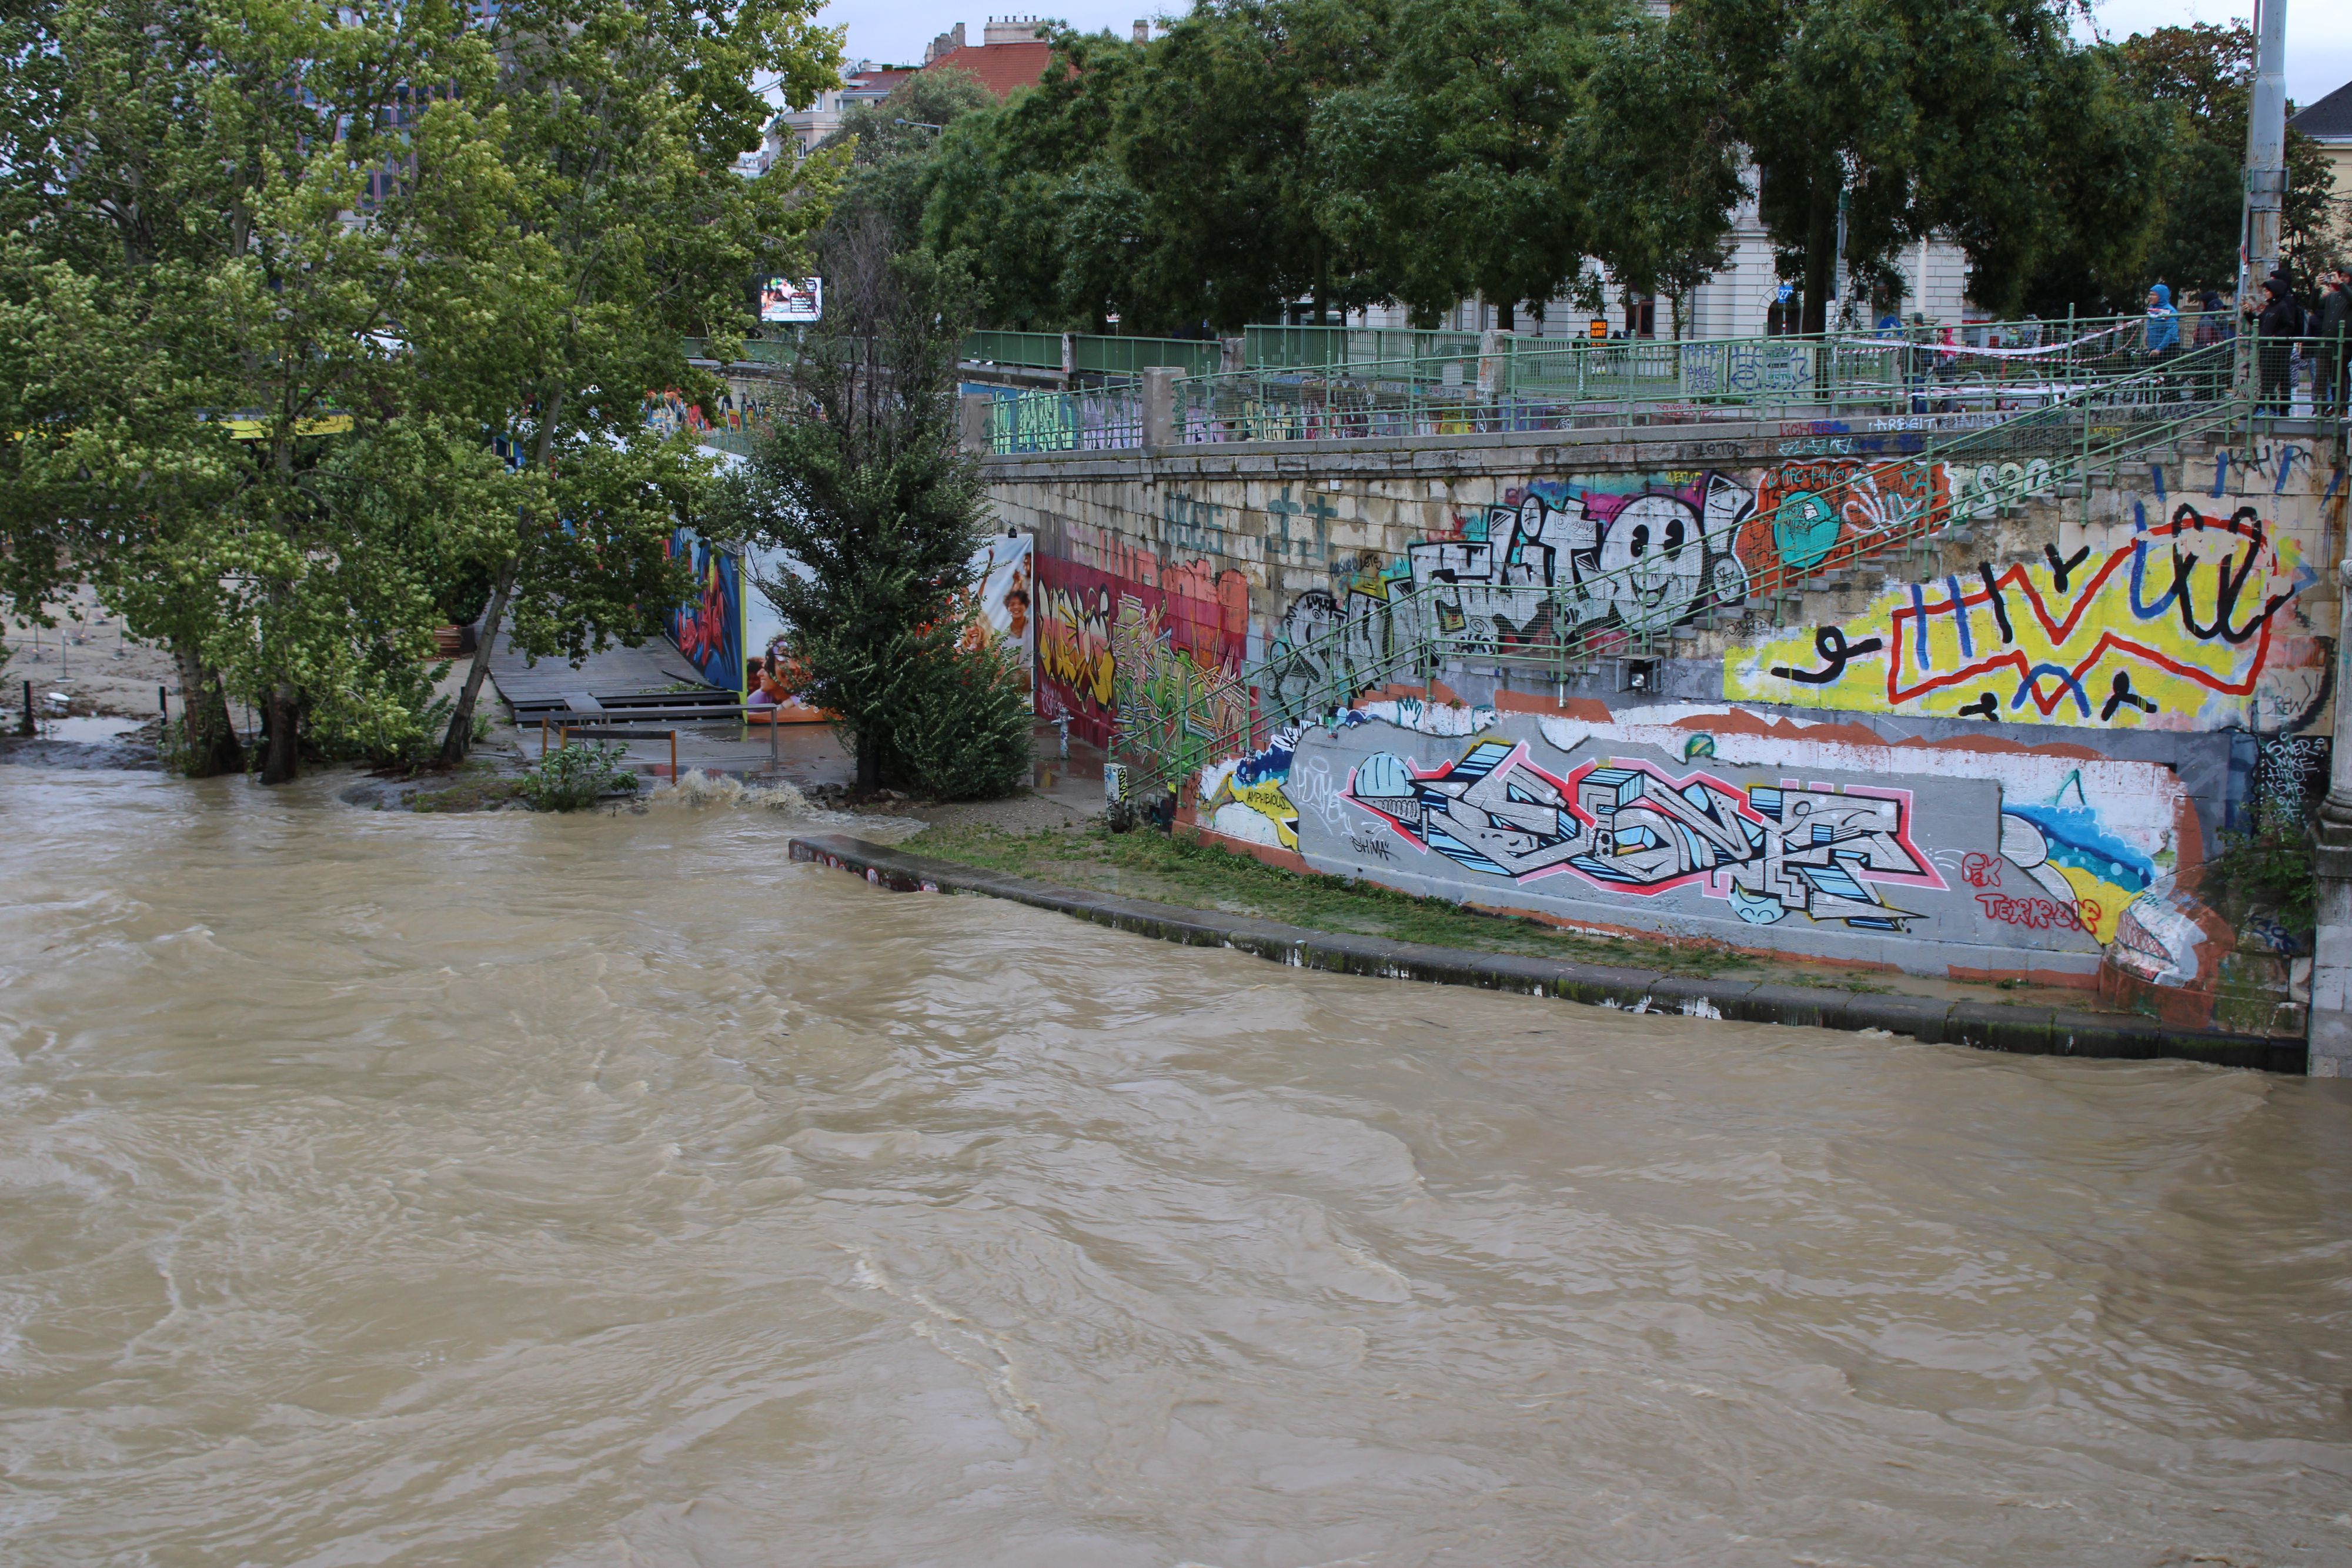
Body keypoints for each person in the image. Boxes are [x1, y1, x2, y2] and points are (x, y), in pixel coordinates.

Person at [2248, 269, 2304, 416]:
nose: (2265, 292)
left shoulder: (2285, 305)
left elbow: (2289, 325)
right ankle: (2268, 407)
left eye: (2268, 289)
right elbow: (2260, 322)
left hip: (2278, 349)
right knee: (2267, 379)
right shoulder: (2270, 306)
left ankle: (2271, 408)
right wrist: (2249, 313)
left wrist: (2276, 336)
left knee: (2273, 379)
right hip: (2267, 348)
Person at [2316, 266, 2352, 420]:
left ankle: (2342, 407)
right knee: (2331, 377)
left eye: (2345, 276)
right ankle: (2331, 406)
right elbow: (2316, 305)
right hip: (2329, 341)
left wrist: (2341, 285)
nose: (2341, 278)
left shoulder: (2347, 293)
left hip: (2344, 343)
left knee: (2341, 376)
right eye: (2340, 276)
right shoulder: (2334, 296)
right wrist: (2316, 287)